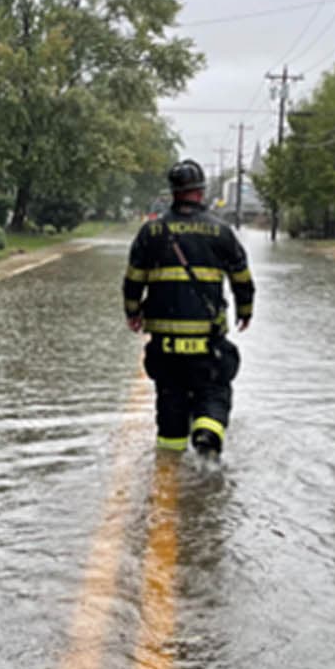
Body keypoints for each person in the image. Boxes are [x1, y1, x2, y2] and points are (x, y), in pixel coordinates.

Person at [123, 159, 255, 455]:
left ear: (173, 192)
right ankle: (208, 433)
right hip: (206, 342)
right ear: (200, 191)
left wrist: (132, 312)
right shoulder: (220, 232)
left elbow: (133, 280)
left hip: (165, 345)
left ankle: (169, 468)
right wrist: (245, 311)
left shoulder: (151, 232)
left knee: (170, 402)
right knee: (213, 390)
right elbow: (242, 277)